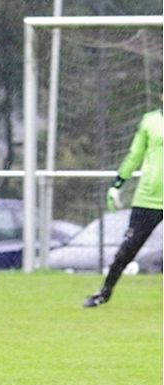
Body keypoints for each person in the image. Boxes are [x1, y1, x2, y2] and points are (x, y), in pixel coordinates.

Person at [83, 104, 163, 308]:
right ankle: (104, 292)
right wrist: (117, 184)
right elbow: (134, 155)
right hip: (149, 199)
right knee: (127, 249)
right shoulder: (150, 121)